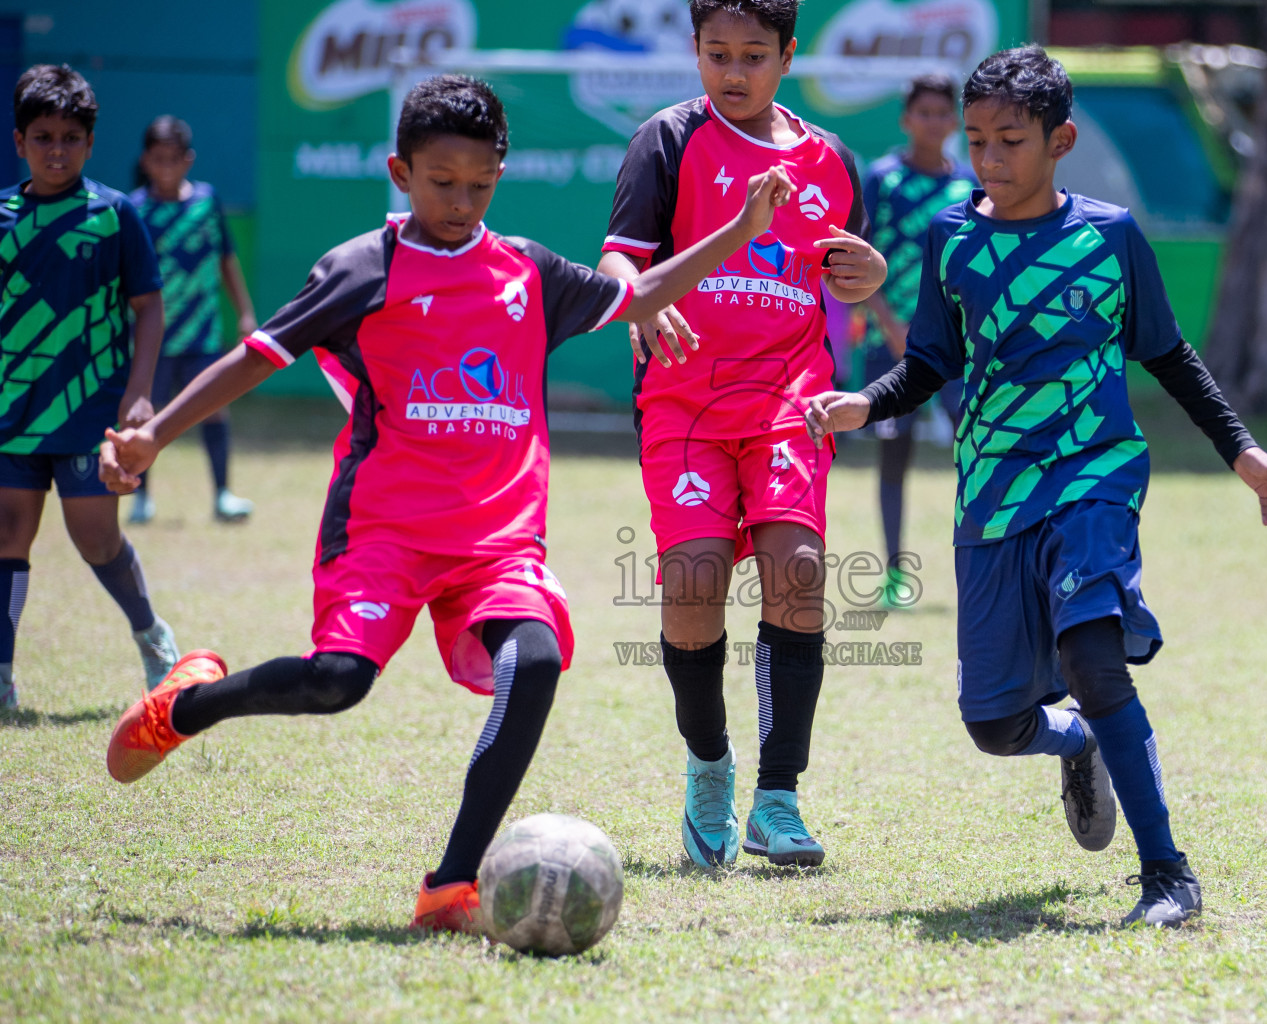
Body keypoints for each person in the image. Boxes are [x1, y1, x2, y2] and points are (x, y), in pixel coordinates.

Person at [98, 74, 796, 932]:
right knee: (337, 682)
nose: (461, 201)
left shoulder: (529, 272)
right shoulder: (363, 268)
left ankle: (451, 885)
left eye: (479, 183)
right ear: (400, 170)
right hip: (385, 532)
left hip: (498, 544)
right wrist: (152, 436)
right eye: (441, 181)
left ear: (500, 174)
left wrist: (740, 230)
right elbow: (255, 357)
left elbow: (642, 295)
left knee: (534, 662)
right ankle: (188, 705)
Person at [805, 46, 1267, 927]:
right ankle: (1077, 743)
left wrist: (1242, 450)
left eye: (1010, 142)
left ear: (1060, 139)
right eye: (978, 141)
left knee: (1092, 655)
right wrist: (865, 404)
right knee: (993, 724)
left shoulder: (1109, 236)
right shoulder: (951, 238)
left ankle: (1167, 876)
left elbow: (1169, 354)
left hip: (1092, 472)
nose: (990, 161)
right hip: (991, 492)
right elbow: (928, 365)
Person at [598, 0, 887, 870]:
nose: (733, 71)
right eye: (716, 53)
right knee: (693, 580)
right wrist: (633, 302)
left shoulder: (828, 159)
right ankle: (710, 767)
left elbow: (851, 268)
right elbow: (619, 257)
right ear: (692, 50)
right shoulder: (666, 140)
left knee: (798, 569)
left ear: (788, 55)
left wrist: (869, 275)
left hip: (788, 395)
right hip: (684, 400)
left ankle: (778, 798)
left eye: (753, 55)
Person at [0, 65, 180, 710]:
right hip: (11, 412)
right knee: (7, 532)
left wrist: (139, 393)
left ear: (90, 144)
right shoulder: (3, 217)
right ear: (19, 140)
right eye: (43, 136)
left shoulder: (114, 214)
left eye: (70, 138)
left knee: (95, 540)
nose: (57, 150)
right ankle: (2, 675)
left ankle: (153, 635)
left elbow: (150, 306)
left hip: (87, 412)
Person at [859, 74, 975, 609]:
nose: (933, 122)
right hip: (892, 346)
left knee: (976, 453)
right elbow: (856, 259)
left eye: (941, 113)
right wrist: (890, 325)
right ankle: (892, 575)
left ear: (955, 121)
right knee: (894, 456)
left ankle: (980, 566)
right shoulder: (883, 180)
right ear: (906, 121)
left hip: (956, 349)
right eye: (922, 113)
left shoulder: (969, 188)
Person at [128, 115, 260, 524]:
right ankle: (140, 498)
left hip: (203, 334)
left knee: (215, 409)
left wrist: (245, 311)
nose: (166, 167)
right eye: (158, 159)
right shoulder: (133, 210)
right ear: (146, 161)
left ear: (188, 160)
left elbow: (226, 259)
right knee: (143, 416)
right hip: (153, 339)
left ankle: (222, 495)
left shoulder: (206, 202)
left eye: (174, 159)